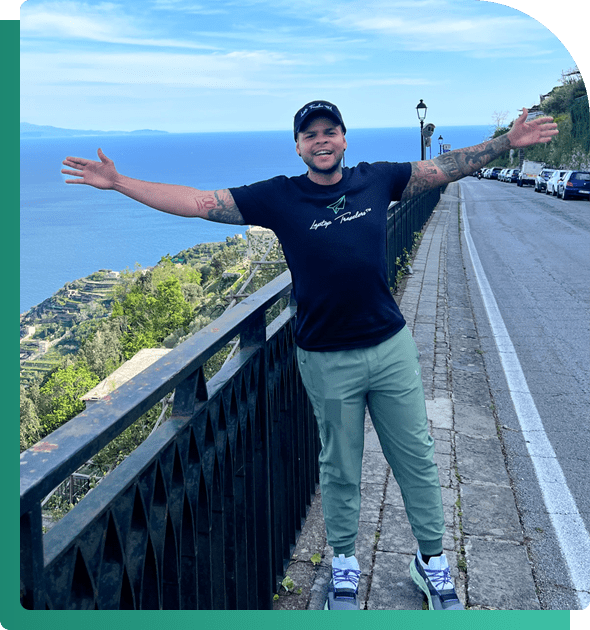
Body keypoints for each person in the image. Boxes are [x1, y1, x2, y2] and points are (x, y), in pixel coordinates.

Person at [62, 101, 557, 610]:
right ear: (299, 146)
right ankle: (344, 563)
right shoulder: (281, 197)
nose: (321, 140)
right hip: (325, 358)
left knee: (418, 460)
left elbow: (444, 167)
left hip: (390, 347)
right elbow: (197, 201)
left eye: (330, 131)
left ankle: (432, 563)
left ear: (345, 139)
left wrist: (504, 143)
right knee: (340, 467)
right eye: (310, 134)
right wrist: (120, 183)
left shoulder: (379, 180)